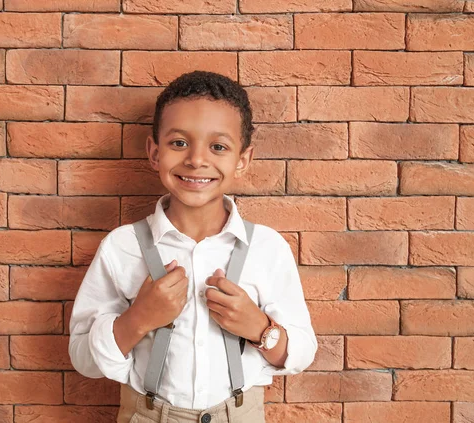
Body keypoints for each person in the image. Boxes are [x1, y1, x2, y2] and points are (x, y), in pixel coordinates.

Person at [69, 71, 317, 423]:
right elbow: (83, 359)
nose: (197, 160)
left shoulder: (267, 248)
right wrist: (138, 319)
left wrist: (259, 328)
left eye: (218, 147)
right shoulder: (121, 247)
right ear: (154, 152)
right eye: (179, 143)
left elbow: (302, 352)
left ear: (242, 160)